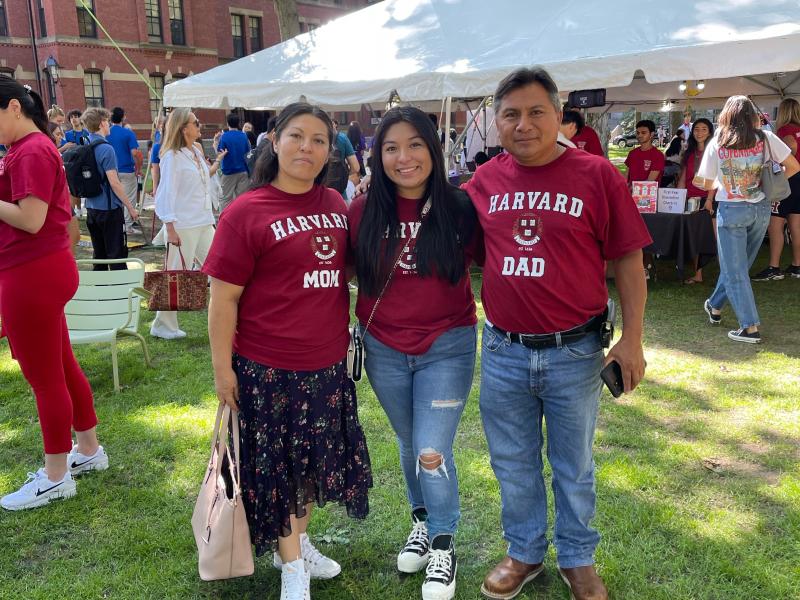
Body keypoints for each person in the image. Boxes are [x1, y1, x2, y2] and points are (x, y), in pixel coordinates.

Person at [464, 67, 650, 600]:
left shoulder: (597, 175)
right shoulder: (483, 183)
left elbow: (628, 258)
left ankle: (577, 557)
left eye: (535, 112)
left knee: (574, 463)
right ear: (496, 122)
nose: (523, 124)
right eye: (510, 114)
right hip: (503, 349)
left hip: (576, 350)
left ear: (559, 114)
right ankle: (524, 551)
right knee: (512, 460)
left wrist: (632, 338)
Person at [202, 103, 372, 600]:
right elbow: (222, 299)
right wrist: (222, 370)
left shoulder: (335, 204)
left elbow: (344, 270)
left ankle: (294, 545)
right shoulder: (246, 212)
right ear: (274, 141)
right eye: (297, 136)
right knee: (279, 469)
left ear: (330, 151)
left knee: (313, 463)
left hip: (326, 365)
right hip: (268, 370)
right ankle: (292, 567)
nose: (307, 148)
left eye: (319, 140)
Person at [350, 106, 478, 600]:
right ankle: (421, 522)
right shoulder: (362, 211)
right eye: (391, 148)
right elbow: (332, 271)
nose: (403, 157)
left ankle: (443, 543)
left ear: (433, 149)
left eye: (415, 145)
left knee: (430, 448)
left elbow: (501, 259)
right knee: (408, 442)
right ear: (377, 156)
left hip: (447, 345)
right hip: (383, 347)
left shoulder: (459, 207)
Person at [0, 79, 107, 511]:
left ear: (13, 107)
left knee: (44, 377)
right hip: (40, 268)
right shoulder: (29, 148)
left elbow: (31, 218)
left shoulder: (30, 150)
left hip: (32, 272)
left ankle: (56, 475)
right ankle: (88, 449)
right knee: (60, 365)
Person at [695, 95, 799, 343]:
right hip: (761, 208)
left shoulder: (718, 141)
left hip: (731, 208)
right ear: (753, 115)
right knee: (738, 268)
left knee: (735, 270)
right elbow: (794, 166)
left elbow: (706, 183)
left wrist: (720, 182)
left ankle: (749, 327)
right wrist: (770, 183)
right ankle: (714, 305)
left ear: (726, 115)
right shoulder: (766, 137)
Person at [150, 108, 224, 340]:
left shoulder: (195, 151)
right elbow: (166, 192)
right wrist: (170, 227)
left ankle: (228, 313)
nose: (200, 125)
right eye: (196, 122)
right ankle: (163, 325)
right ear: (184, 128)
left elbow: (204, 181)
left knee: (221, 268)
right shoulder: (171, 157)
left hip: (204, 221)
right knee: (175, 275)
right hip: (182, 225)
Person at [81, 107, 140, 270]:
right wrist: (130, 207)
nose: (109, 125)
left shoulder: (85, 144)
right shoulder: (106, 148)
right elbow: (114, 182)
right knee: (116, 255)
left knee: (99, 254)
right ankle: (119, 285)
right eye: (107, 121)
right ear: (102, 123)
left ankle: (100, 285)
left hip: (91, 207)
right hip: (109, 209)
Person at [752, 97, 800, 280]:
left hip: (789, 180)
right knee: (796, 224)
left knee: (775, 224)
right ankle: (797, 265)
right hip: (798, 181)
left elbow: (790, 149)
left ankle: (774, 267)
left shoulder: (785, 130)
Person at [678, 118, 717, 284]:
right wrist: (678, 197)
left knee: (714, 238)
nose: (699, 132)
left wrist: (709, 199)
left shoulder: (714, 151)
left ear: (710, 132)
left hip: (708, 199)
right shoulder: (689, 152)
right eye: (696, 129)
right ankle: (698, 274)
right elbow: (683, 177)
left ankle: (725, 274)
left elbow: (715, 178)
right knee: (695, 237)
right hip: (690, 199)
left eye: (704, 129)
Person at [107, 107, 140, 234]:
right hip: (126, 170)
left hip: (110, 170)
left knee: (114, 198)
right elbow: (135, 153)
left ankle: (117, 224)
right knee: (129, 197)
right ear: (123, 117)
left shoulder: (106, 133)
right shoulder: (128, 133)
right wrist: (138, 167)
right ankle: (127, 226)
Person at [214, 113, 252, 211]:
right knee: (242, 198)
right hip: (243, 170)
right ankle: (241, 217)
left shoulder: (224, 136)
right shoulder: (244, 136)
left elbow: (220, 153)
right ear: (238, 123)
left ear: (228, 123)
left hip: (228, 171)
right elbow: (248, 152)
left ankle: (226, 217)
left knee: (225, 198)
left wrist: (215, 142)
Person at [624, 119, 665, 184]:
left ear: (651, 134)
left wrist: (632, 188)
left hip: (647, 190)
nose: (639, 135)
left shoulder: (658, 155)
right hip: (630, 190)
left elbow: (649, 182)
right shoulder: (632, 153)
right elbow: (625, 177)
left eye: (643, 133)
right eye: (638, 133)